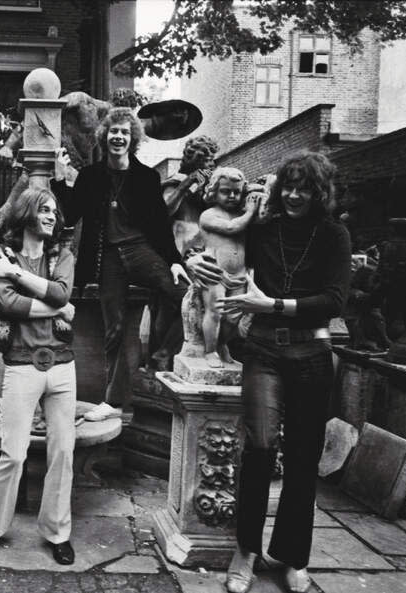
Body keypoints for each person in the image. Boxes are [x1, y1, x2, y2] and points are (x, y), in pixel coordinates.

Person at [186, 152, 350, 593]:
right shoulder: (263, 229)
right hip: (264, 353)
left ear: (320, 193)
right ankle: (246, 550)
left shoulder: (334, 236)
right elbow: (214, 248)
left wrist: (273, 306)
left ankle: (293, 556)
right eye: (289, 187)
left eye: (305, 189)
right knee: (259, 449)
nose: (295, 195)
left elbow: (334, 302)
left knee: (301, 458)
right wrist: (190, 261)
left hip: (313, 355)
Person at [52, 107, 189, 419]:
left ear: (132, 139)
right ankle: (113, 403)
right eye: (113, 131)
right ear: (105, 136)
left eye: (124, 132)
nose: (118, 136)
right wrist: (60, 181)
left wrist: (174, 261)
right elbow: (70, 215)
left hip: (141, 250)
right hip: (108, 256)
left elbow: (159, 225)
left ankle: (163, 355)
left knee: (183, 295)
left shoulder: (147, 177)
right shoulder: (91, 176)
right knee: (113, 328)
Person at [0, 187, 78, 566]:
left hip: (63, 365)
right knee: (13, 454)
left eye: (54, 211)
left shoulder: (60, 255)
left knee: (63, 452)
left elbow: (62, 291)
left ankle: (57, 532)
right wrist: (59, 310)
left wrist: (16, 275)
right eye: (44, 210)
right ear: (27, 213)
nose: (51, 216)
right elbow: (9, 304)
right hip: (21, 363)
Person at [196, 167, 259, 367]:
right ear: (214, 191)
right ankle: (210, 350)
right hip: (215, 271)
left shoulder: (243, 215)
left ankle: (222, 344)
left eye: (237, 192)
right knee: (215, 311)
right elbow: (233, 228)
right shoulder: (208, 215)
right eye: (225, 191)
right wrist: (250, 210)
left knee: (234, 316)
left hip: (239, 273)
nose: (232, 195)